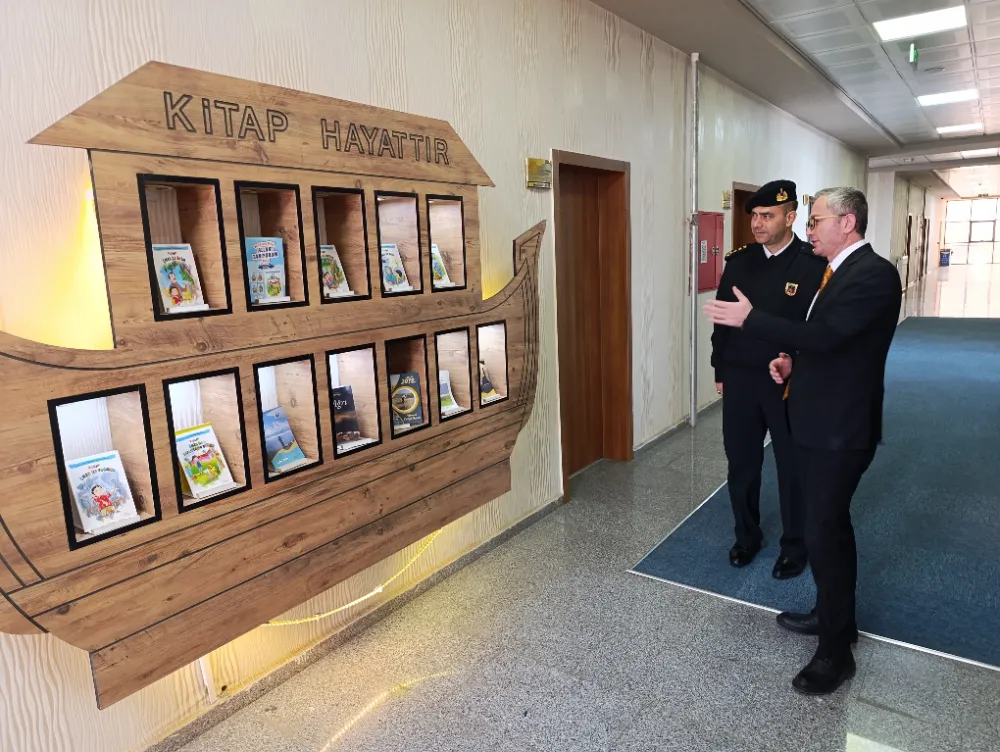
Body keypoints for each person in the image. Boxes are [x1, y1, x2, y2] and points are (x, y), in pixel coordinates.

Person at [703, 186, 902, 696]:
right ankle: (834, 617)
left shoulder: (873, 274)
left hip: (840, 428)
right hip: (820, 417)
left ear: (847, 223)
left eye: (816, 221)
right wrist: (794, 364)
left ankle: (835, 654)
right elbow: (830, 344)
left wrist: (751, 320)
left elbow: (828, 336)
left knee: (822, 531)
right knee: (829, 529)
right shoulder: (838, 271)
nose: (809, 229)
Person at [711, 180, 826, 579]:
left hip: (786, 382)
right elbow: (723, 321)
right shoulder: (739, 262)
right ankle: (747, 536)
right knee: (742, 463)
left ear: (790, 217)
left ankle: (795, 545)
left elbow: (819, 330)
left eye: (767, 216)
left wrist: (802, 368)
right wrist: (720, 369)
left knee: (792, 466)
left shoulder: (813, 264)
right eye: (754, 217)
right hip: (741, 379)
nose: (757, 224)